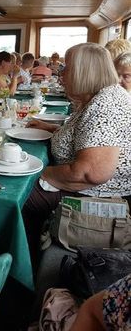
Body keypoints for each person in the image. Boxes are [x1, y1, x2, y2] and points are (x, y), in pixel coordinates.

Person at [23, 43, 131, 263]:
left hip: (98, 194)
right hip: (92, 187)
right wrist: (52, 129)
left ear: (84, 71)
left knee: (19, 197)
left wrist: (39, 174)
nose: (62, 73)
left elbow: (90, 174)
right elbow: (85, 135)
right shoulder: (101, 96)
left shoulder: (105, 106)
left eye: (68, 68)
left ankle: (23, 262)